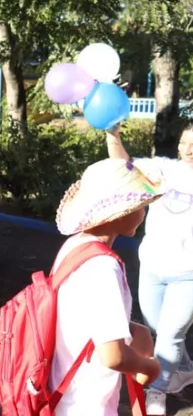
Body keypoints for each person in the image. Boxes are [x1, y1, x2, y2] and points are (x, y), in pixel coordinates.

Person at [51, 158, 163, 415]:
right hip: (86, 404)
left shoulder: (75, 246)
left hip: (61, 390)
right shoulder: (103, 267)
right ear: (120, 212)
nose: (143, 212)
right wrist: (149, 367)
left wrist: (133, 330)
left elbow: (81, 313)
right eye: (140, 206)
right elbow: (114, 356)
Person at [106, 123, 193, 414]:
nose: (188, 150)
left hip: (188, 274)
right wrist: (112, 135)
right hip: (153, 267)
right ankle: (185, 369)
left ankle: (157, 391)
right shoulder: (163, 169)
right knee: (156, 327)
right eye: (184, 143)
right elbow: (124, 166)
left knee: (170, 335)